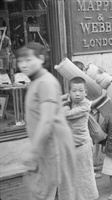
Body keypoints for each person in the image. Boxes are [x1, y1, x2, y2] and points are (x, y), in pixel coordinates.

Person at [16, 42, 76, 199]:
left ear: (41, 58)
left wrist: (33, 151)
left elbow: (46, 121)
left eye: (28, 60)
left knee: (47, 192)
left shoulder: (46, 82)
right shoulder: (36, 81)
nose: (23, 65)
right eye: (20, 61)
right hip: (45, 146)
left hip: (53, 145)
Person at [62, 77, 99, 200]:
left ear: (86, 92)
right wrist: (66, 99)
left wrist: (66, 102)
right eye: (74, 91)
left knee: (85, 176)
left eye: (81, 90)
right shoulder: (69, 101)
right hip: (68, 145)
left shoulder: (85, 105)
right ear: (69, 92)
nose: (77, 94)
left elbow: (66, 114)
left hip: (82, 146)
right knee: (69, 175)